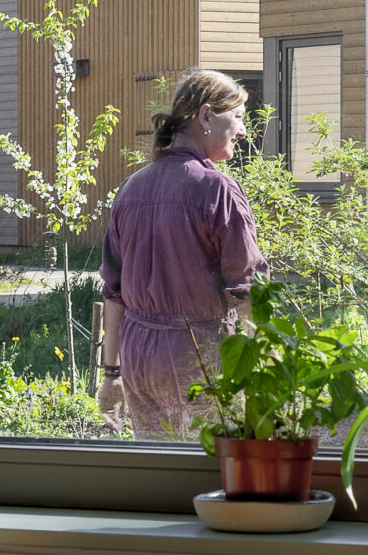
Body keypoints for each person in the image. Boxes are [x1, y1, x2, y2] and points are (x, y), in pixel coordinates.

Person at [97, 70, 262, 438]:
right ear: (205, 116)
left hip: (139, 356)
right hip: (198, 357)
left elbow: (113, 292)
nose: (243, 131)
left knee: (157, 472)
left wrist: (112, 375)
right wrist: (264, 371)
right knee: (210, 472)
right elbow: (247, 289)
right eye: (237, 117)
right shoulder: (218, 190)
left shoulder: (130, 188)